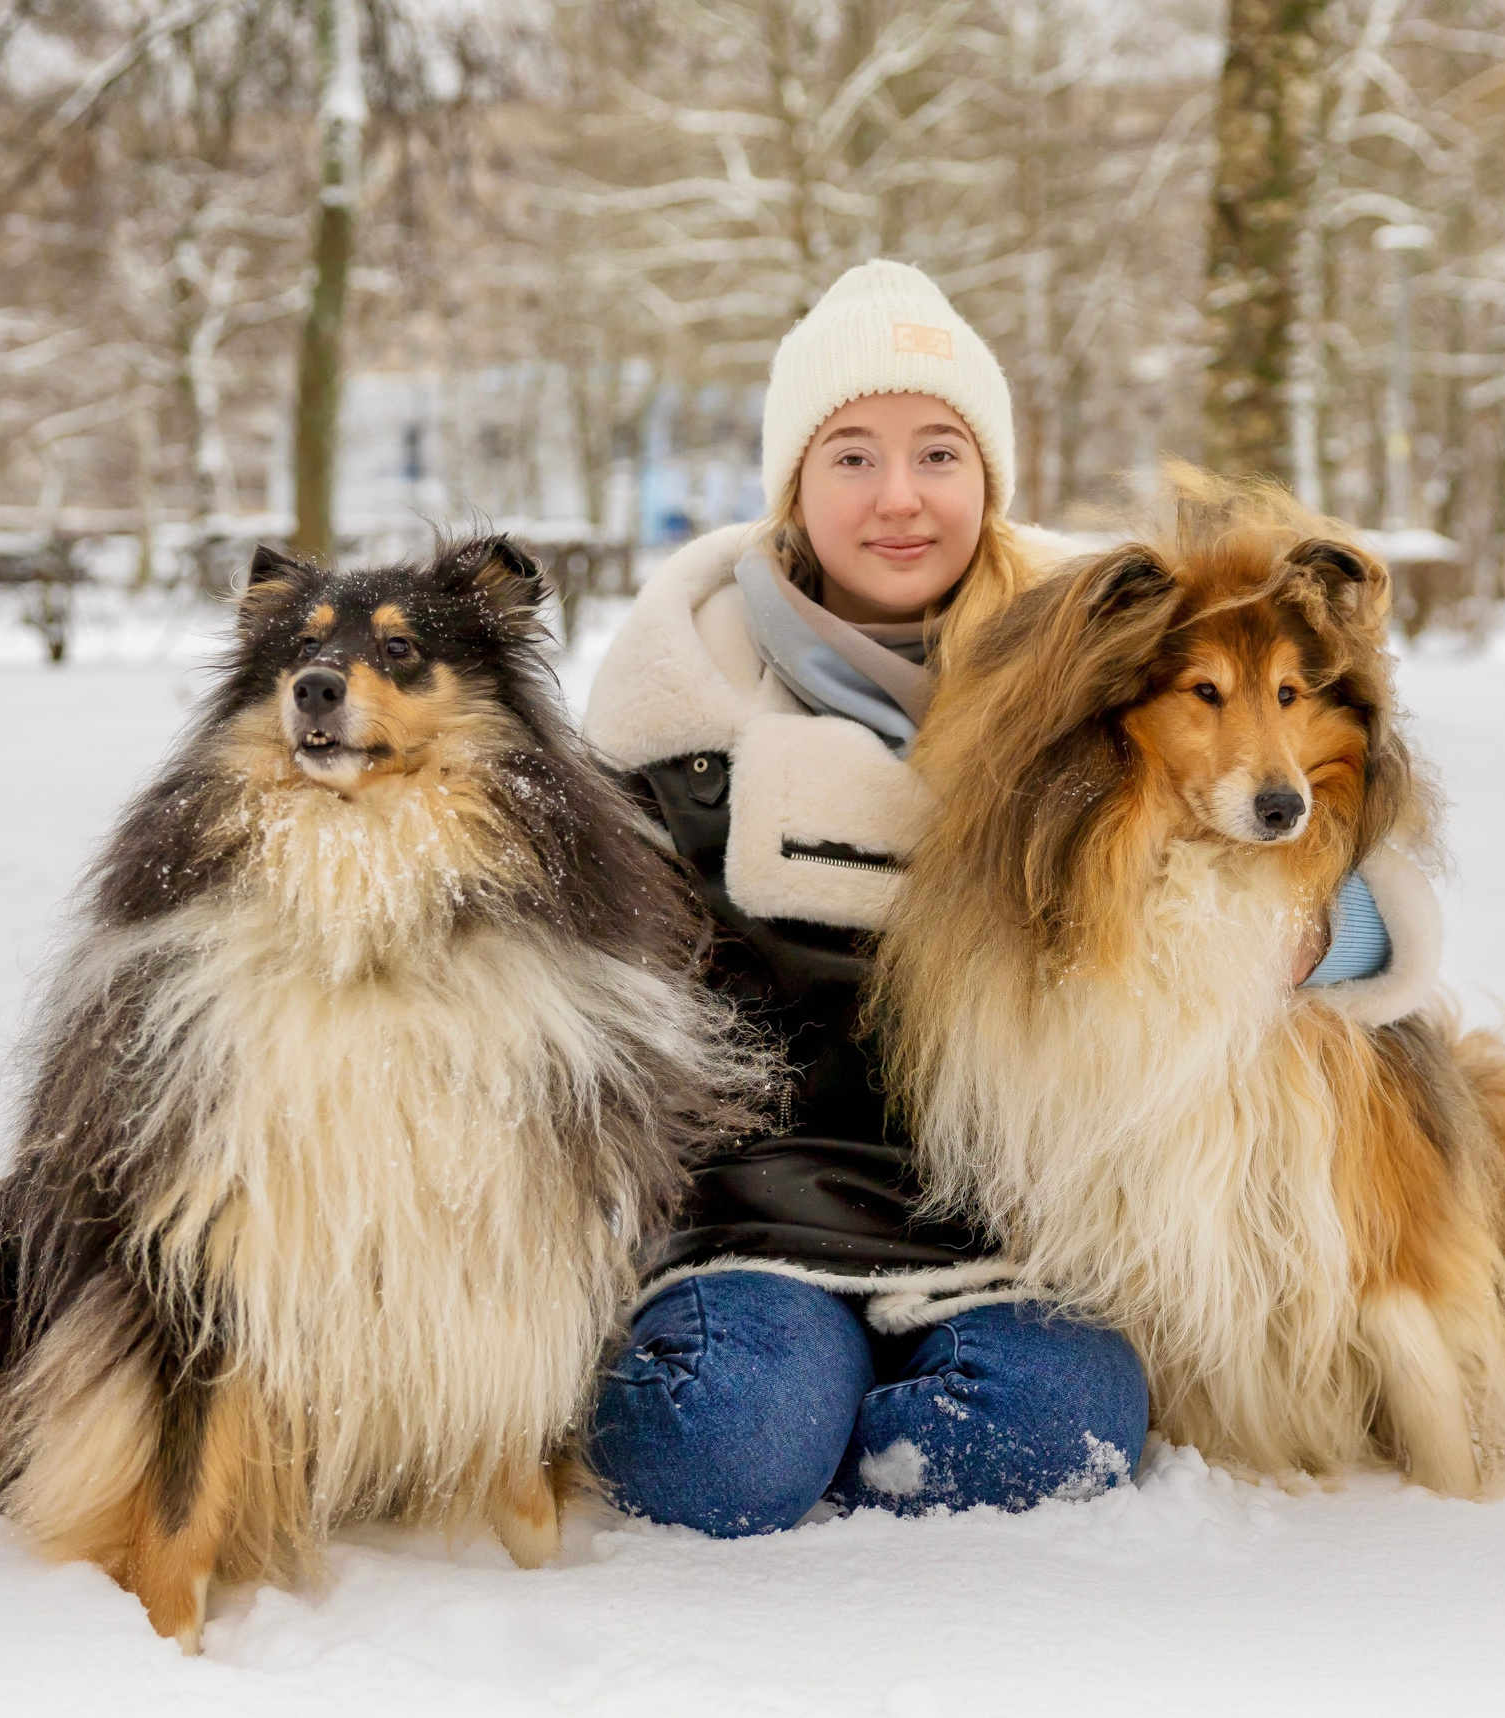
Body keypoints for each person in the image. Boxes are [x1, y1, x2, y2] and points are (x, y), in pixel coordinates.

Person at [577, 260, 1441, 1535]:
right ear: (792, 486)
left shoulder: (1105, 640)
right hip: (758, 1215)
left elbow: (1334, 848)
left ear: (987, 477)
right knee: (723, 1446)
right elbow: (582, 982)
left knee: (1056, 1437)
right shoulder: (683, 696)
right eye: (851, 457)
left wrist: (1308, 931)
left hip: (1015, 1229)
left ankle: (855, 1431)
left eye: (939, 453)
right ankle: (784, 1400)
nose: (899, 497)